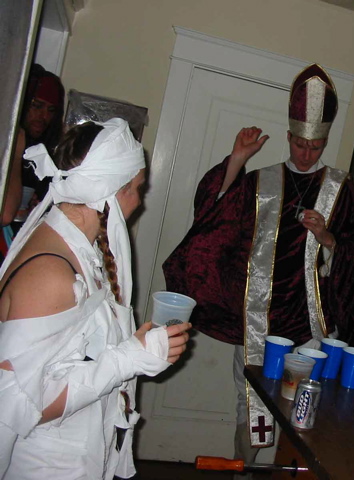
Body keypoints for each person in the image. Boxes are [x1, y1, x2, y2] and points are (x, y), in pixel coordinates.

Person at [163, 64, 354, 465]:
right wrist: (238, 157)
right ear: (289, 136)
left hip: (312, 325)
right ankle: (246, 472)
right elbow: (211, 214)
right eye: (300, 145)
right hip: (258, 320)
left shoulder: (341, 188)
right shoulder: (260, 181)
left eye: (316, 147)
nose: (307, 154)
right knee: (253, 408)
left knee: (303, 414)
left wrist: (327, 238)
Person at [0, 119, 191, 479]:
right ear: (113, 191)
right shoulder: (50, 274)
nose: (140, 200)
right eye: (137, 189)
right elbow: (22, 404)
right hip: (46, 466)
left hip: (82, 455)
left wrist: (142, 349)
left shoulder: (80, 250)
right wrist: (129, 359)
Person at [1, 65, 65, 259]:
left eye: (50, 110)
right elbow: (5, 214)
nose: (43, 116)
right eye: (37, 106)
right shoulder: (7, 142)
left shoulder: (46, 152)